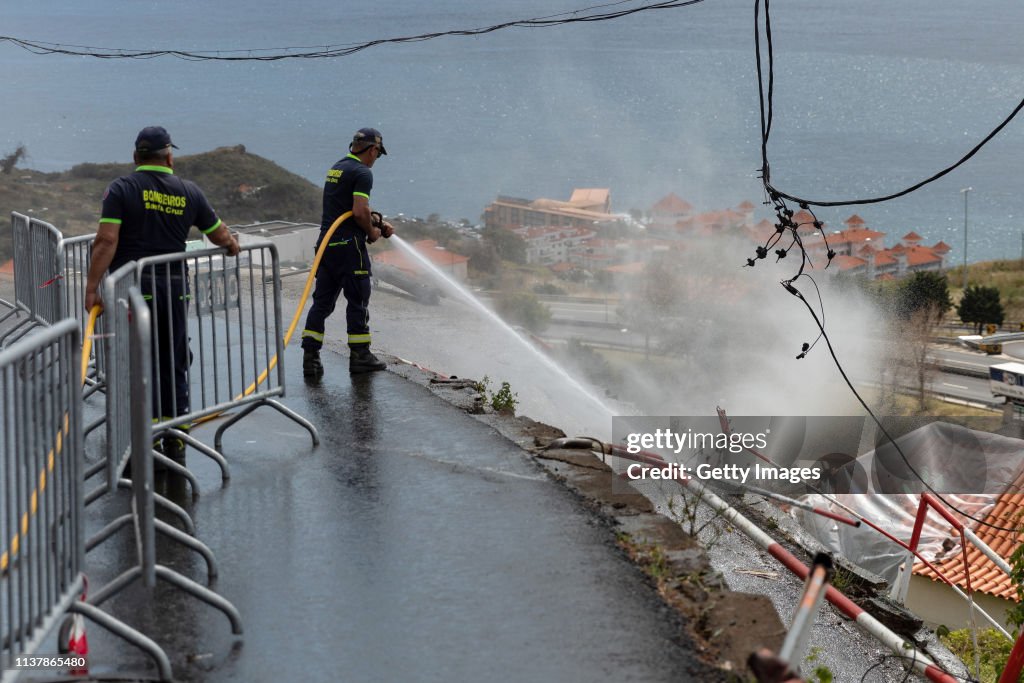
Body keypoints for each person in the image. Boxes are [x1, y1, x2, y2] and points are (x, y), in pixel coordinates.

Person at [84, 126, 240, 465]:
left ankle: (146, 436)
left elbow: (106, 241)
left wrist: (92, 287)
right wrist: (232, 245)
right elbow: (219, 233)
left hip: (132, 291)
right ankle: (175, 436)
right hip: (174, 289)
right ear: (169, 157)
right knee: (174, 359)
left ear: (135, 157)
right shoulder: (189, 191)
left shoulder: (121, 189)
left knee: (137, 361)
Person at [301, 127, 394, 376]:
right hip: (349, 247)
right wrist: (373, 233)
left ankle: (310, 358)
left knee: (321, 303)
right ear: (373, 149)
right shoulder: (363, 173)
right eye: (378, 153)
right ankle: (360, 355)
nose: (376, 159)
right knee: (358, 299)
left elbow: (349, 207)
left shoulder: (338, 167)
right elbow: (359, 211)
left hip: (326, 246)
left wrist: (379, 222)